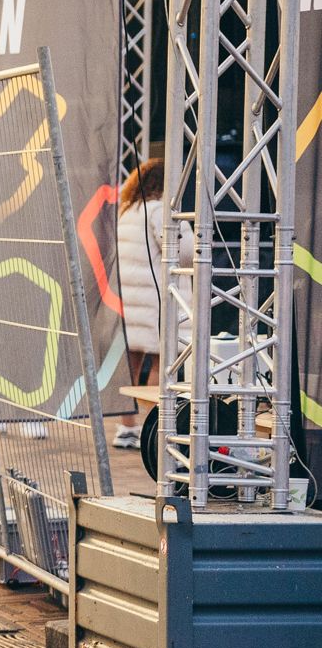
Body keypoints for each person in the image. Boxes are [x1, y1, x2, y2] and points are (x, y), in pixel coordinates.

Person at [115, 158, 177, 449]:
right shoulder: (158, 211)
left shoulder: (127, 212)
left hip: (128, 299)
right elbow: (182, 250)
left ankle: (127, 427)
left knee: (132, 362)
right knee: (161, 360)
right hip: (153, 299)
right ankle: (153, 431)